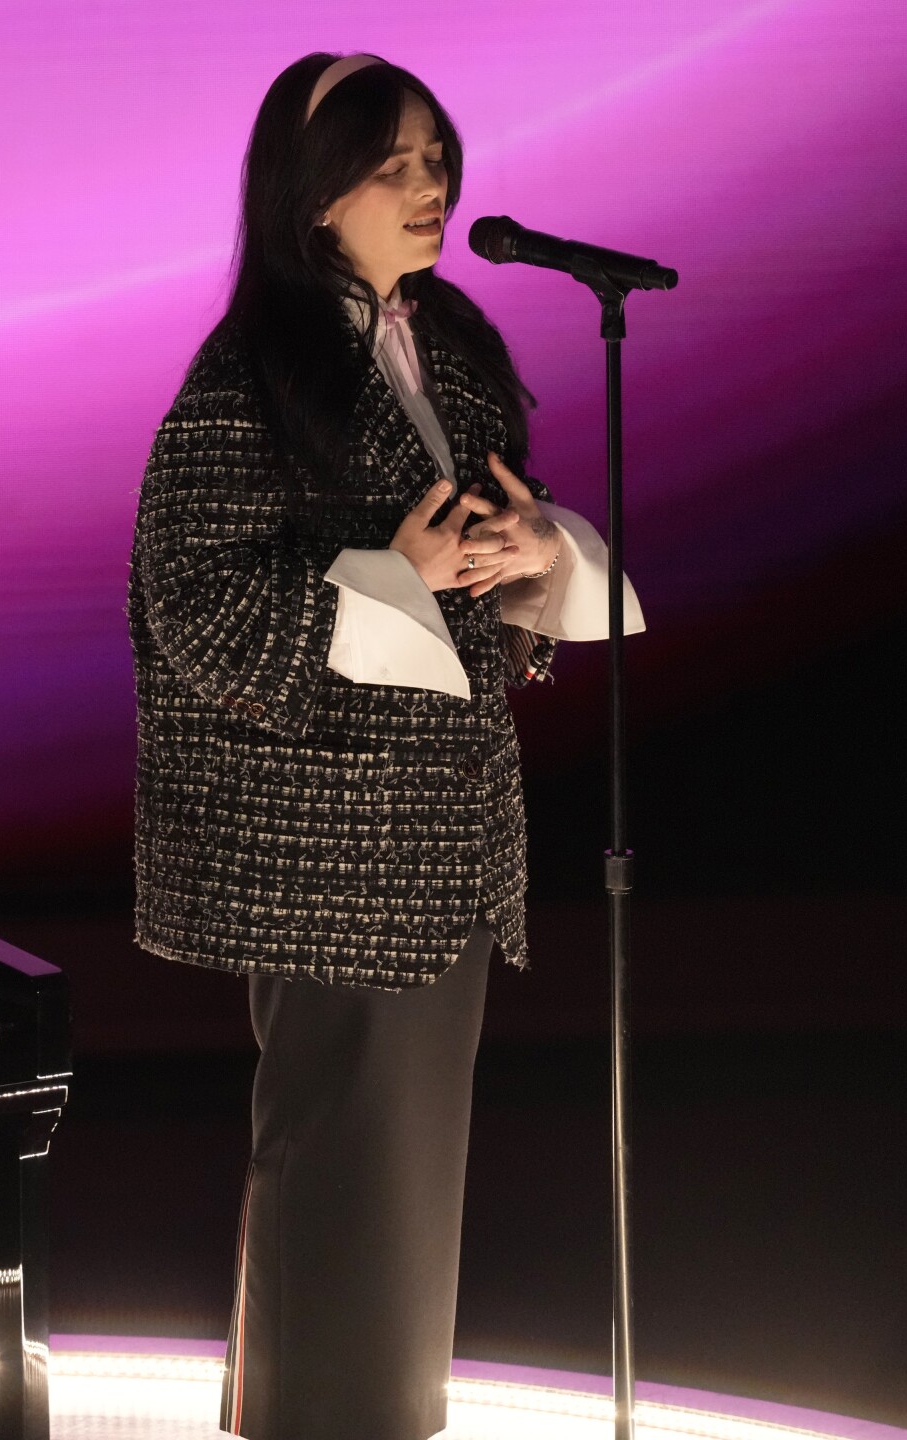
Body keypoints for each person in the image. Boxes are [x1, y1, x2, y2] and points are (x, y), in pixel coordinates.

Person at [128, 52, 643, 1440]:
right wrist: (393, 578)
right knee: (341, 1176)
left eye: (436, 155)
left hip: (444, 837)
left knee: (402, 1188)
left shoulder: (453, 342)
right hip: (328, 857)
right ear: (312, 198)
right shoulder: (250, 375)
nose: (430, 186)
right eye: (390, 162)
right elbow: (197, 608)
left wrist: (528, 556)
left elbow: (488, 553)